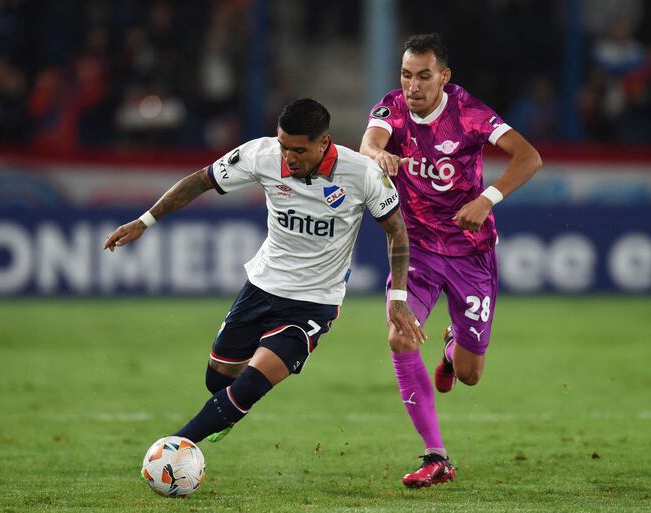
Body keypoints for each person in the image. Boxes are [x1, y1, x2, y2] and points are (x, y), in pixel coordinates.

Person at [104, 98, 425, 446]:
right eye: (284, 146)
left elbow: (397, 230)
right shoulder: (262, 154)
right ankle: (226, 410)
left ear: (324, 142)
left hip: (314, 302)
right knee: (218, 381)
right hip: (261, 287)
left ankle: (173, 446)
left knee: (252, 384)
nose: (289, 158)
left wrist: (398, 297)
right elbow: (201, 180)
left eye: (299, 150)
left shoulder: (362, 173)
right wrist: (145, 221)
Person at [360, 34, 542, 488]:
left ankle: (451, 347)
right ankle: (436, 456)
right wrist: (379, 153)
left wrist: (488, 198)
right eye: (406, 75)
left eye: (424, 76)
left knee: (469, 374)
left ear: (444, 76)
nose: (413, 86)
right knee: (400, 339)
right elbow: (369, 142)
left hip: (470, 252)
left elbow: (529, 156)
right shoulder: (391, 108)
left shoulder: (470, 113)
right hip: (416, 248)